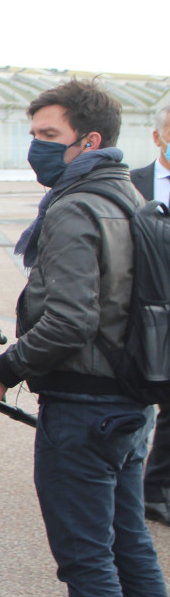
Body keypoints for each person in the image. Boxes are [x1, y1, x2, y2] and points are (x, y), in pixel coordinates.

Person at [0, 80, 170, 597]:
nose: (37, 149)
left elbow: (72, 319)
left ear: (90, 140)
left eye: (49, 137)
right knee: (129, 545)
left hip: (85, 408)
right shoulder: (127, 194)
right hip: (129, 405)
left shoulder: (77, 204)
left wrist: (2, 371)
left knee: (87, 560)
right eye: (32, 136)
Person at [130, 103, 170, 527]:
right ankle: (130, 478)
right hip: (141, 308)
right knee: (140, 395)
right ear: (158, 137)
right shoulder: (132, 184)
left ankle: (156, 491)